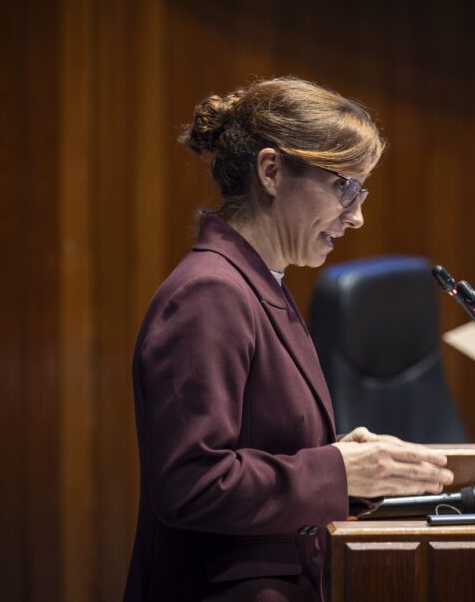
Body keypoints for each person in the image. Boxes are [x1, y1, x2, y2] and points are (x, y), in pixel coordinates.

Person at [124, 76, 454, 602]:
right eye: (344, 187)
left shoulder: (257, 284)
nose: (357, 215)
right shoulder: (210, 293)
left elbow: (262, 447)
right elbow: (191, 482)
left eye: (361, 190)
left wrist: (351, 464)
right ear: (272, 172)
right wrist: (337, 471)